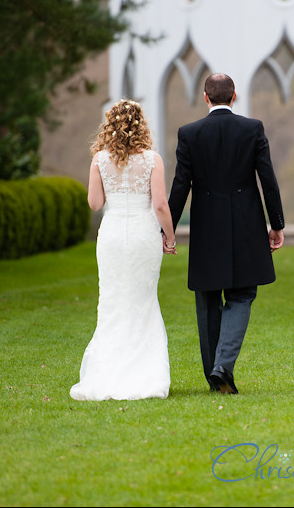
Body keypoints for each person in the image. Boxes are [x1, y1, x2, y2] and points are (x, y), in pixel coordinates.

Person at [167, 73, 285, 395]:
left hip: (206, 225)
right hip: (246, 222)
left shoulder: (189, 133)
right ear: (234, 96)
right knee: (242, 295)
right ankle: (223, 367)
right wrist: (276, 224)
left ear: (205, 98)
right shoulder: (252, 129)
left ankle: (215, 375)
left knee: (207, 299)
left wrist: (168, 230)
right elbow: (268, 180)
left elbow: (181, 186)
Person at [70, 99, 178, 401]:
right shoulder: (152, 159)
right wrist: (169, 237)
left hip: (114, 235)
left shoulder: (100, 159)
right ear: (140, 124)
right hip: (143, 235)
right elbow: (159, 204)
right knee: (142, 300)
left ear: (110, 125)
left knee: (114, 299)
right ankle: (145, 375)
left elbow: (95, 203)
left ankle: (107, 373)